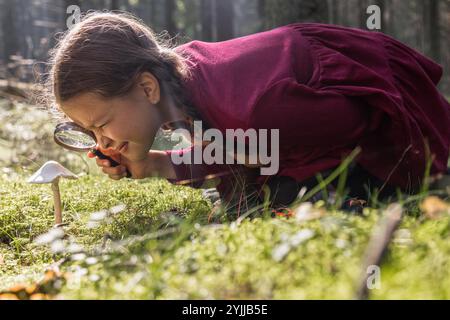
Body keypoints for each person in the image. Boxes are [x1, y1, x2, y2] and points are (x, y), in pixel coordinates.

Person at [45, 12, 450, 212]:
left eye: (100, 125)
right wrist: (150, 162)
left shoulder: (262, 109)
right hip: (284, 127)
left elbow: (357, 119)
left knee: (300, 198)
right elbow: (230, 147)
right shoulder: (174, 79)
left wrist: (262, 162)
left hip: (361, 107)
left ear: (146, 87)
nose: (102, 142)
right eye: (87, 132)